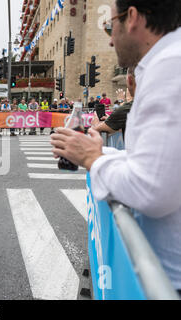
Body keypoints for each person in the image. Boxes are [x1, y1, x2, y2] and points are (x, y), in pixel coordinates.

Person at [50, 0, 181, 295]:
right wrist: (102, 152)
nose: (109, 38)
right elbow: (161, 165)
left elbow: (151, 190)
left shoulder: (169, 66)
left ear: (132, 17)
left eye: (110, 25)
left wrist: (93, 158)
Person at [91, 66, 136, 138]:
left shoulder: (129, 108)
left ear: (129, 80)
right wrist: (112, 120)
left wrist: (95, 122)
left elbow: (96, 129)